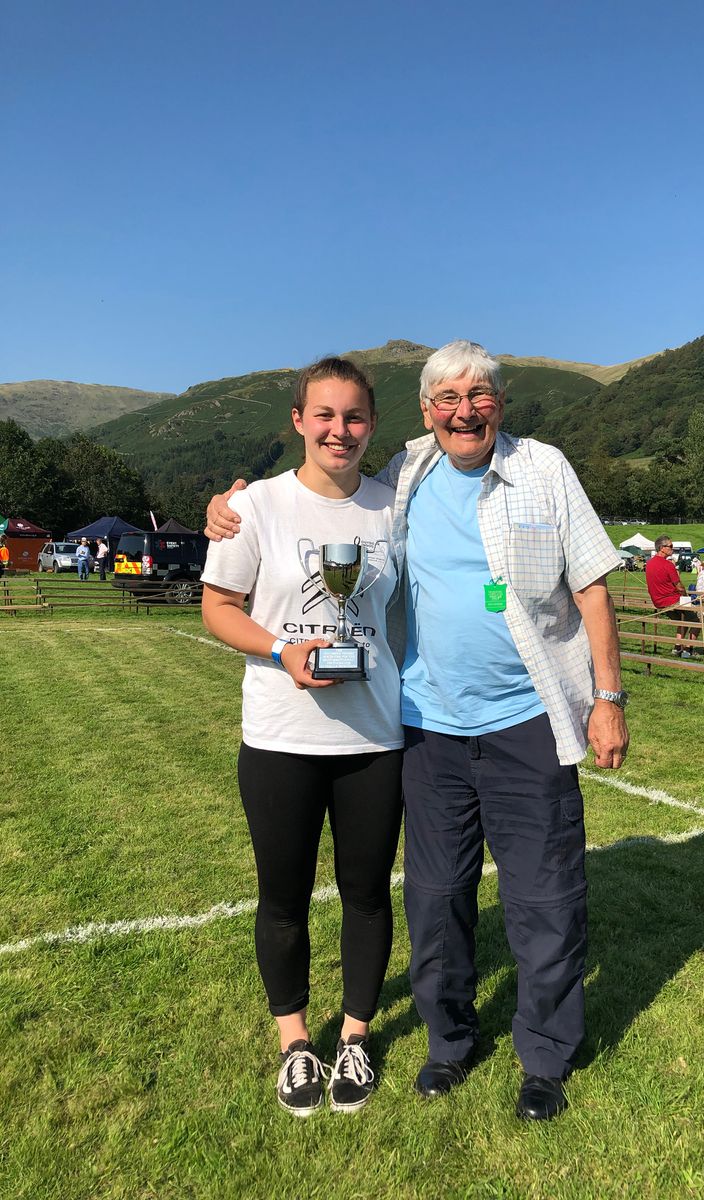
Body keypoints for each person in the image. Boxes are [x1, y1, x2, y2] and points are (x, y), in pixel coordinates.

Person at [207, 339, 629, 1122]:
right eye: (447, 399)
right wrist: (229, 503)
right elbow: (315, 491)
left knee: (544, 900)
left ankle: (544, 1058)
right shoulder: (404, 472)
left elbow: (595, 586)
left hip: (527, 720)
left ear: (500, 403)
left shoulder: (544, 468)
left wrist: (607, 696)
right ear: (425, 410)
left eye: (479, 396)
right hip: (427, 728)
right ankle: (450, 1044)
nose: (464, 411)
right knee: (435, 901)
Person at [201, 357, 404, 1117]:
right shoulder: (255, 508)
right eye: (324, 416)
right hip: (281, 735)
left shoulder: (392, 508)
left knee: (366, 895)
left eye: (353, 417)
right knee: (281, 898)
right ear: (297, 421)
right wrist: (281, 651)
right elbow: (217, 606)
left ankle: (353, 1035)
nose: (339, 431)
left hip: (373, 738)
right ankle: (295, 1043)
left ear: (372, 425)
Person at [645, 535, 699, 656]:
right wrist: (686, 597)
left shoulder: (649, 564)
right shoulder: (667, 565)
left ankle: (677, 647)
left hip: (658, 602)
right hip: (672, 600)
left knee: (682, 621)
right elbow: (679, 586)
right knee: (696, 620)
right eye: (670, 546)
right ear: (661, 548)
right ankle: (688, 650)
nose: (672, 548)